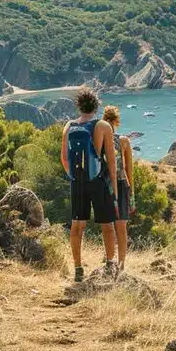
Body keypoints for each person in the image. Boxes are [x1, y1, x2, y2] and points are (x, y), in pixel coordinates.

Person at [60, 89, 118, 283]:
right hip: (98, 181)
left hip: (78, 181)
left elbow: (64, 159)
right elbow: (111, 161)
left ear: (79, 106)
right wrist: (114, 188)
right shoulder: (102, 126)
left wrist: (75, 177)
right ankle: (110, 265)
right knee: (107, 225)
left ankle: (78, 269)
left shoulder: (69, 127)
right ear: (96, 106)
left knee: (77, 226)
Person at [102, 105, 135, 270]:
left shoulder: (100, 139)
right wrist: (132, 195)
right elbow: (129, 170)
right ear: (117, 121)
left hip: (104, 185)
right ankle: (121, 266)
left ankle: (109, 261)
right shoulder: (124, 141)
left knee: (107, 226)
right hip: (122, 185)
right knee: (121, 227)